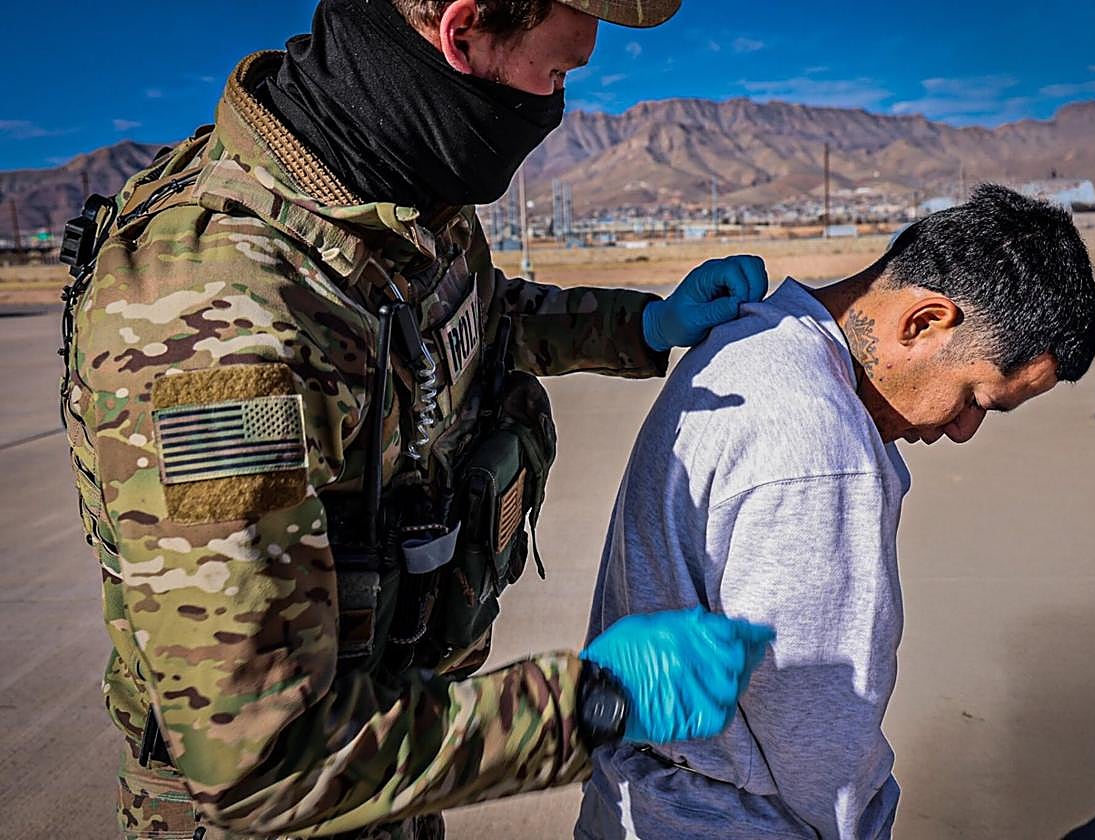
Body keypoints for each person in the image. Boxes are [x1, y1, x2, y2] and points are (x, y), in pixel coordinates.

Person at [57, 1, 773, 838]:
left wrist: (645, 325)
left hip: (396, 763)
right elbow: (261, 766)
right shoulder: (219, 327)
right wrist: (595, 705)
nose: (557, 102)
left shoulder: (387, 181)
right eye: (557, 72)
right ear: (461, 34)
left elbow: (465, 318)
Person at [576, 185, 1095, 839]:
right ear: (923, 322)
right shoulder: (821, 446)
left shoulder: (749, 339)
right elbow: (817, 733)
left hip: (634, 803)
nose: (963, 430)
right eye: (975, 398)